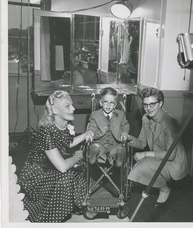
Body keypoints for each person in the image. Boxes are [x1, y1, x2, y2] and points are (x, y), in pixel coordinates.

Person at [18, 90, 94, 222]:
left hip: (49, 167)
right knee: (68, 174)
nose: (73, 108)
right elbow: (62, 167)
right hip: (36, 175)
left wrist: (85, 134)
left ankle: (71, 206)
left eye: (72, 105)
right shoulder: (46, 131)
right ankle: (50, 216)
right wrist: (78, 156)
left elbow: (67, 143)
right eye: (67, 106)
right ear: (55, 110)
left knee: (78, 170)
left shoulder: (66, 124)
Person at [127, 87, 189, 207]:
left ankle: (164, 187)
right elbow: (142, 143)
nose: (149, 109)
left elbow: (171, 155)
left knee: (143, 165)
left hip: (174, 163)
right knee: (140, 164)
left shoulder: (170, 122)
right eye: (145, 105)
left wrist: (145, 154)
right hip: (160, 157)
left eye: (152, 104)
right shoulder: (145, 118)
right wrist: (129, 139)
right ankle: (164, 186)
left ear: (160, 103)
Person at [86, 87, 130, 167]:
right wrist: (90, 132)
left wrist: (124, 133)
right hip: (100, 142)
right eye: (105, 102)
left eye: (111, 102)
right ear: (100, 103)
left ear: (115, 105)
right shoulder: (95, 114)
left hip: (115, 143)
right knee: (97, 147)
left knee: (117, 149)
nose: (108, 105)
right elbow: (92, 126)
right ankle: (93, 155)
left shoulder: (120, 114)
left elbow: (125, 125)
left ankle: (118, 158)